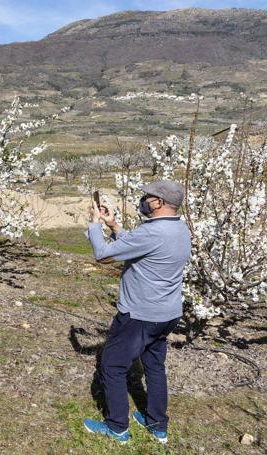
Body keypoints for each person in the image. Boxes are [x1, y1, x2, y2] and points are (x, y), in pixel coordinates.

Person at [83, 180, 191, 445]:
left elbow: (103, 255)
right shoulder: (179, 228)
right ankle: (157, 425)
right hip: (167, 313)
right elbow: (141, 248)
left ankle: (117, 427)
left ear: (159, 203)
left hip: (139, 315)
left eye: (148, 196)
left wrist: (95, 223)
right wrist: (115, 227)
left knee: (112, 365)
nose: (144, 199)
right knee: (154, 366)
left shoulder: (152, 233)